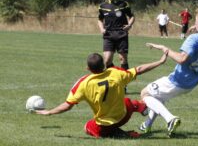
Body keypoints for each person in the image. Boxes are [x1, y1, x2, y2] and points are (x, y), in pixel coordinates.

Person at [35, 51, 168, 139]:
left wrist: (49, 112)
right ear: (104, 65)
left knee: (87, 128)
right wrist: (160, 61)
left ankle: (123, 134)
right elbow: (138, 70)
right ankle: (140, 106)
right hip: (124, 115)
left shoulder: (84, 83)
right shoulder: (115, 72)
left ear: (88, 68)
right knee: (127, 101)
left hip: (106, 123)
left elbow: (67, 105)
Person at [139, 7, 198, 137]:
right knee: (159, 97)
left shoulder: (194, 38)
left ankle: (170, 119)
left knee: (145, 94)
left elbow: (181, 59)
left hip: (178, 80)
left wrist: (166, 49)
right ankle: (147, 125)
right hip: (192, 83)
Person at [97, 0, 134, 72]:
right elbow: (99, 19)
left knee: (122, 59)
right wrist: (102, 29)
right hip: (108, 34)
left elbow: (132, 16)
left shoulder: (124, 4)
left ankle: (124, 83)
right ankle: (115, 76)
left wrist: (129, 25)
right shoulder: (102, 6)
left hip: (121, 33)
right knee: (107, 60)